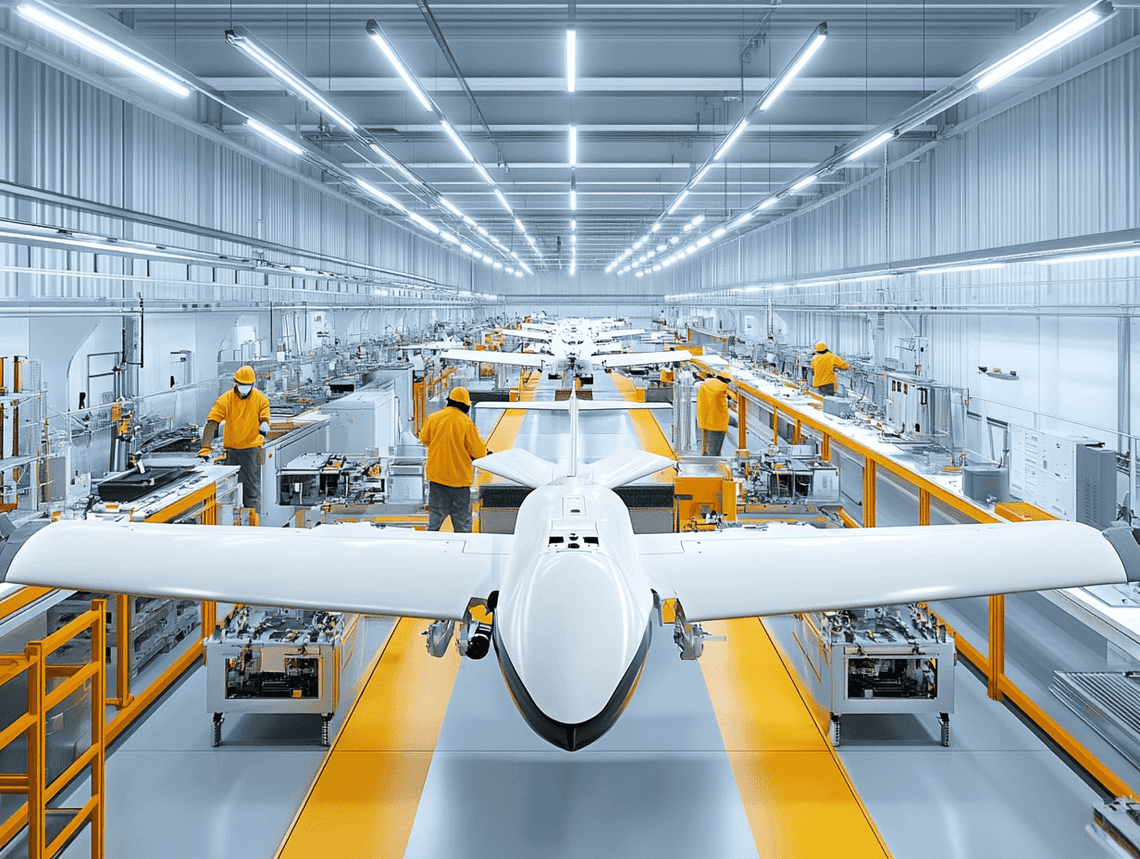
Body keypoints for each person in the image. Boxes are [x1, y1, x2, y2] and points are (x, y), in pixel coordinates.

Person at [198, 366, 270, 525]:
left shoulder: (260, 399)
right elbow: (212, 422)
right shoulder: (225, 399)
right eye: (242, 384)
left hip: (252, 450)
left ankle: (253, 523)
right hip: (231, 451)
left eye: (248, 384)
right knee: (228, 490)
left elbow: (264, 414)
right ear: (235, 383)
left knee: (251, 491)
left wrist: (264, 423)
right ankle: (231, 522)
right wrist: (205, 447)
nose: (245, 387)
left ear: (253, 384)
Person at [419, 387, 488, 533]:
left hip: (437, 480)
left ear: (449, 401)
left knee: (434, 520)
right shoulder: (466, 423)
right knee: (462, 523)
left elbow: (424, 439)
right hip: (459, 482)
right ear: (465, 405)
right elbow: (479, 452)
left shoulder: (434, 418)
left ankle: (428, 549)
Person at [696, 372, 733, 456]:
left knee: (706, 447)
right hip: (718, 424)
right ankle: (712, 465)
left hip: (704, 420)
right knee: (715, 451)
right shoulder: (724, 388)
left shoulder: (705, 384)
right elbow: (731, 401)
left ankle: (705, 459)